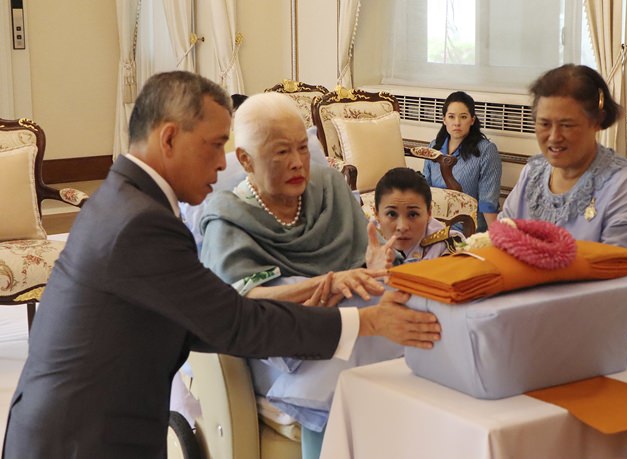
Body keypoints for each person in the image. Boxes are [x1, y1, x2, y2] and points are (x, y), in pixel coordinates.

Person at [2, 71, 441, 459]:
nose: (222, 163)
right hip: (82, 440)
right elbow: (235, 322)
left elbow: (208, 321)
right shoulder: (141, 223)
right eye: (215, 146)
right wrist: (366, 323)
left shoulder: (126, 200)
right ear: (169, 139)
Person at [198, 92, 408, 459]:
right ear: (245, 159)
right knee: (341, 356)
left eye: (302, 148)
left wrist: (372, 266)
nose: (297, 162)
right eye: (281, 152)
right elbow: (238, 305)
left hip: (349, 321)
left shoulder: (328, 188)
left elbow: (362, 269)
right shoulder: (226, 217)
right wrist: (319, 286)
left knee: (403, 313)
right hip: (277, 350)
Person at [499, 64, 627, 346]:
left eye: (567, 125)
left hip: (610, 336)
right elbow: (501, 242)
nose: (554, 137)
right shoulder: (533, 173)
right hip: (530, 321)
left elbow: (618, 285)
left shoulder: (625, 185)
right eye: (544, 124)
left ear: (596, 121)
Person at [423, 90, 502, 232]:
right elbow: (425, 192)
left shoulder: (486, 151)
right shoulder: (434, 147)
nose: (457, 123)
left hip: (467, 228)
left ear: (472, 120)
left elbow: (488, 202)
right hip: (434, 223)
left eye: (463, 117)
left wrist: (496, 237)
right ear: (444, 119)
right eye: (451, 117)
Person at [366, 167, 464, 270]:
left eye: (413, 215)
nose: (402, 227)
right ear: (376, 214)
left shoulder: (447, 245)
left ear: (429, 213)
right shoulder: (363, 244)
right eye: (391, 214)